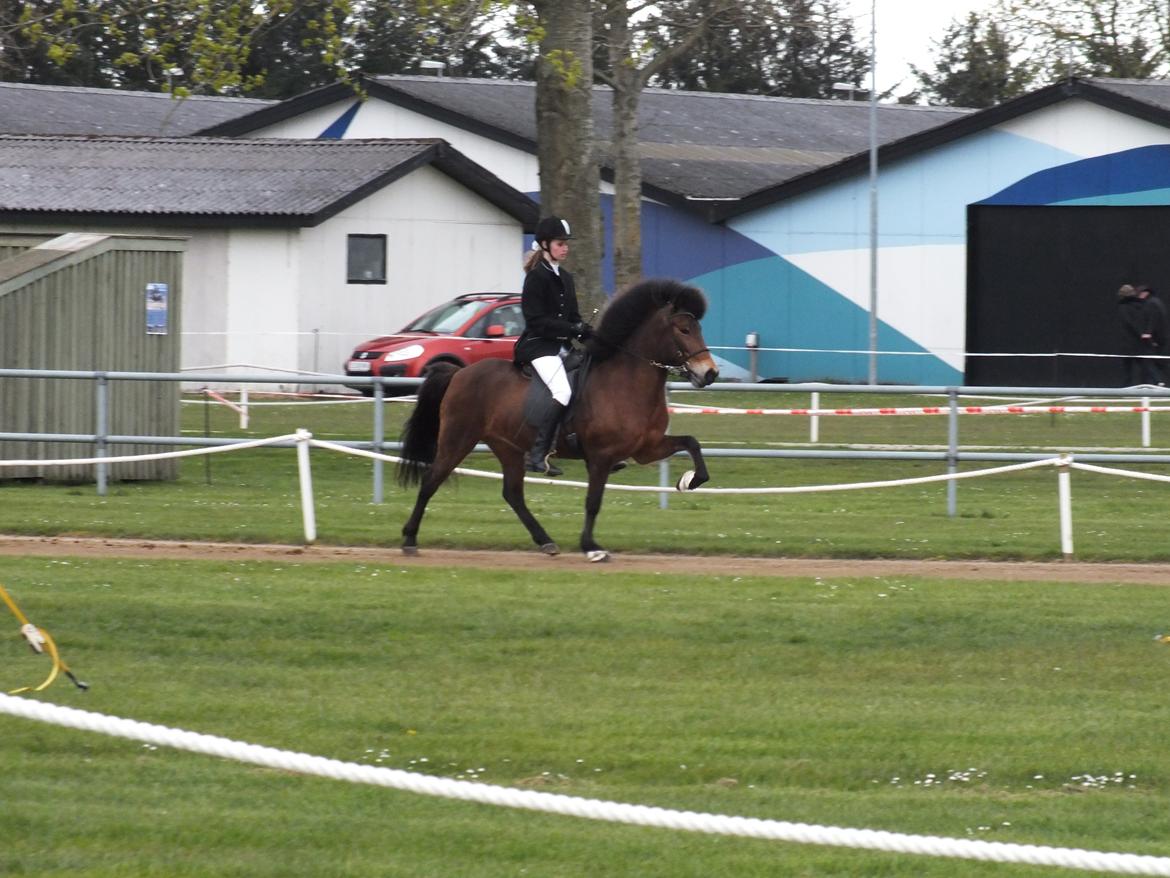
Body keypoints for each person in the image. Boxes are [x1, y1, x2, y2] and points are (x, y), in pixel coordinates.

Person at [513, 216, 593, 475]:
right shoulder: (536, 277)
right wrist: (572, 329)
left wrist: (588, 334)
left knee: (590, 378)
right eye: (560, 243)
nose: (565, 248)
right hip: (538, 347)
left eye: (566, 244)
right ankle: (537, 454)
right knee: (562, 392)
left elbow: (574, 319)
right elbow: (536, 321)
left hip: (560, 347)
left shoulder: (566, 278)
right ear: (545, 245)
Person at [1118, 283, 1165, 386]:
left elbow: (1130, 323)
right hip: (1141, 343)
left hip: (1129, 344)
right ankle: (1157, 382)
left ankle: (1127, 389)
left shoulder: (1123, 308)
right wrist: (1148, 337)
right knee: (1145, 364)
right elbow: (1148, 322)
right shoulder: (1143, 305)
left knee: (1129, 369)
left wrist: (1141, 334)